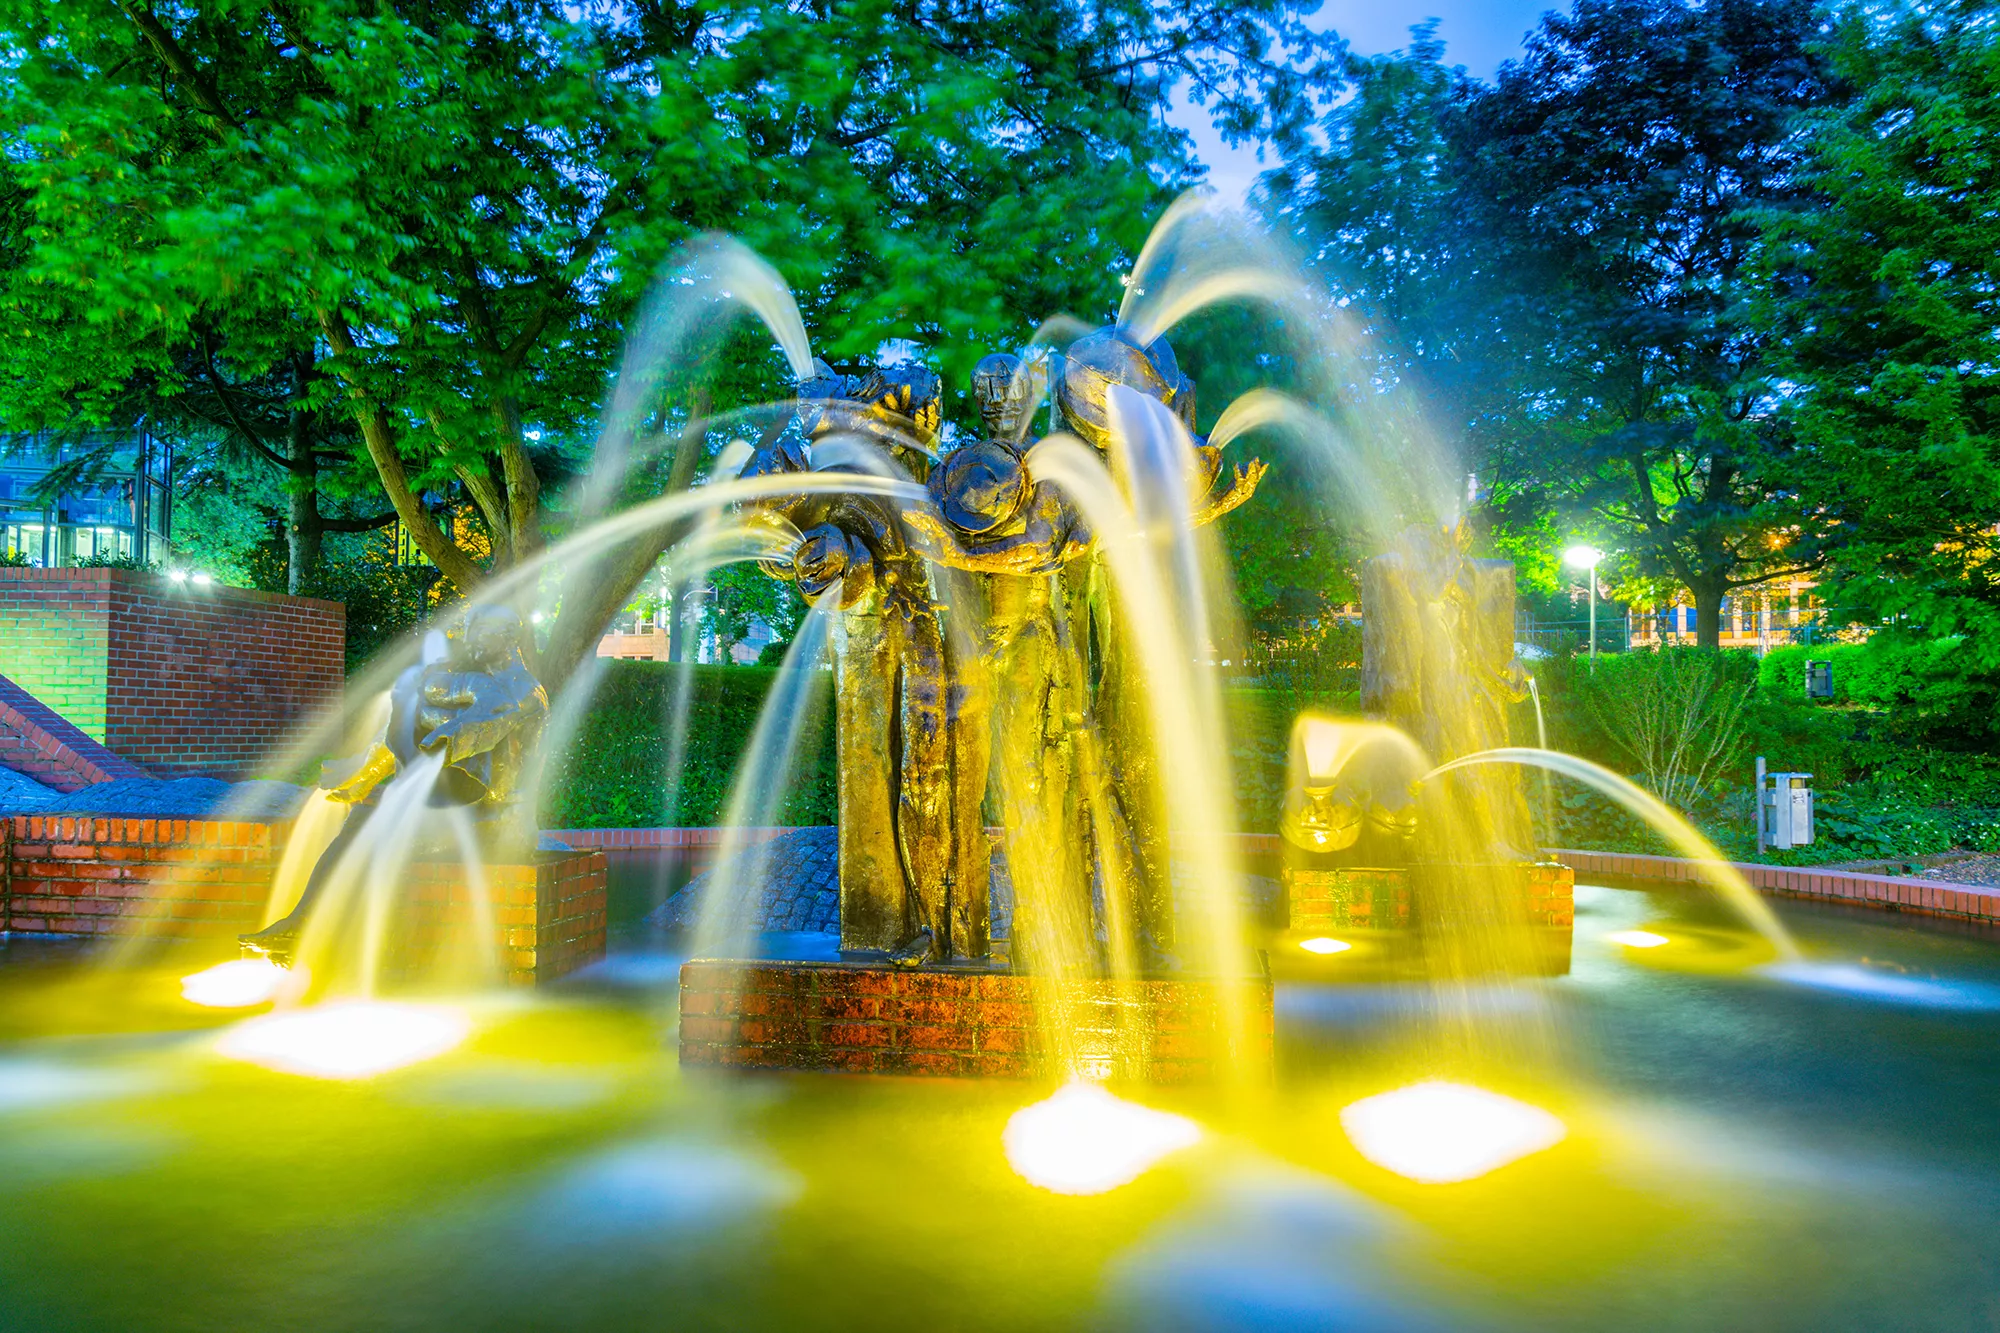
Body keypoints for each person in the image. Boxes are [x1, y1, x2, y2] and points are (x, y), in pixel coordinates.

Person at [240, 605, 548, 962]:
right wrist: (364, 776)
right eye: (471, 631)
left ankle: (323, 940)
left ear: (510, 638)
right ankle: (306, 926)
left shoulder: (524, 691)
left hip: (496, 818)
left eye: (484, 632)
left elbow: (484, 726)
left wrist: (446, 740)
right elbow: (410, 735)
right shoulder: (469, 682)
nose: (473, 640)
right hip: (459, 807)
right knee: (362, 820)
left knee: (377, 831)